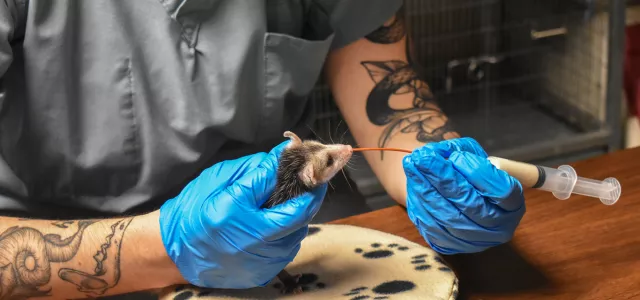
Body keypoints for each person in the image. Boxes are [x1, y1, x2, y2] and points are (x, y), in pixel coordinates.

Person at [0, 0, 526, 299]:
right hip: (56, 244)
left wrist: (444, 178)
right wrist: (163, 245)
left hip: (295, 226)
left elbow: (385, 87)